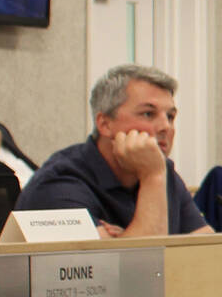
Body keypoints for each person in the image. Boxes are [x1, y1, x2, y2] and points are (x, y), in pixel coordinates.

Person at [17, 64, 211, 236]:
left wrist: (125, 241)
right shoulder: (59, 184)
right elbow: (137, 270)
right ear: (105, 124)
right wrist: (152, 178)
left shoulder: (162, 170)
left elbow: (205, 250)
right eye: (148, 114)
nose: (165, 127)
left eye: (170, 116)